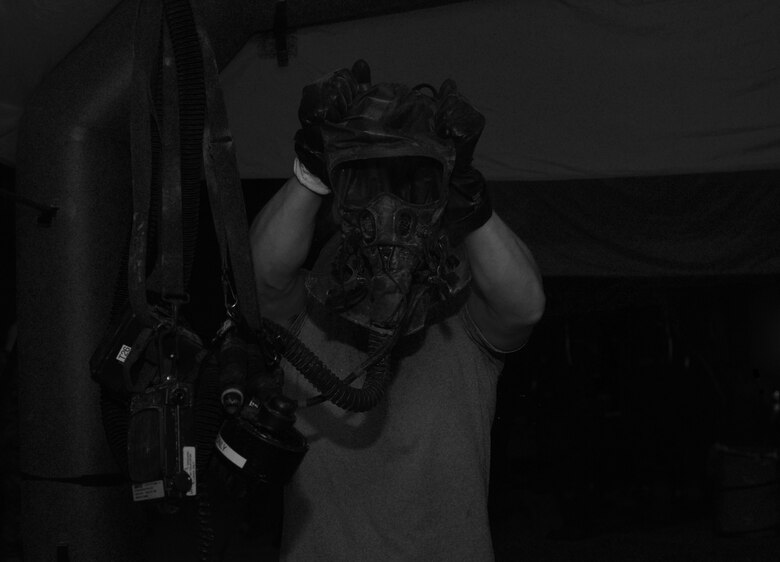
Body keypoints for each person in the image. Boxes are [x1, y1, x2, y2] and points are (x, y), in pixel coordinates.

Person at [250, 61, 545, 561]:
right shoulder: (305, 323)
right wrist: (312, 169)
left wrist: (466, 191)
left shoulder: (463, 323)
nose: (388, 215)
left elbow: (525, 306)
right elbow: (261, 276)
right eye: (365, 187)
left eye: (411, 189)